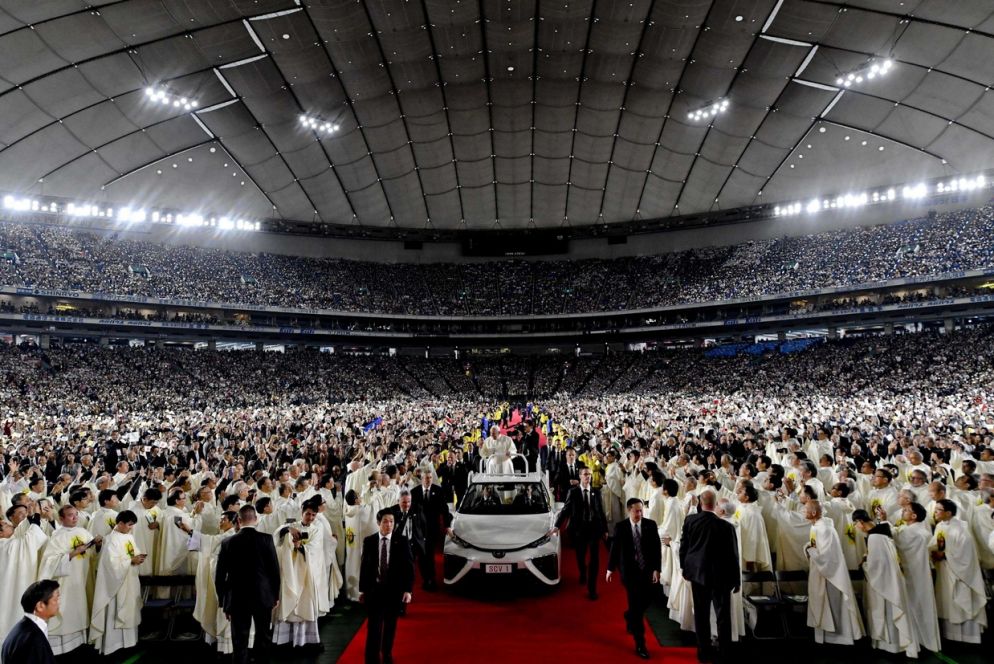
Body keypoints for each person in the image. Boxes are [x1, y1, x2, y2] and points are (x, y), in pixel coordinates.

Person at [214, 504, 281, 664]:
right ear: (256, 520)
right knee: (263, 636)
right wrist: (275, 595)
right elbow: (274, 571)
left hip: (237, 597)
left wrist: (224, 601)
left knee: (239, 639)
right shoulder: (266, 539)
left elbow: (220, 576)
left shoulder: (228, 542)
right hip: (263, 595)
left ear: (238, 520)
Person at [679, 490, 741, 663]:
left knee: (701, 613)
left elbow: (684, 547)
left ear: (700, 502)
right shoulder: (726, 527)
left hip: (698, 575)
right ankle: (725, 652)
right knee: (723, 616)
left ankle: (703, 651)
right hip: (721, 576)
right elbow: (733, 556)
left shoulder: (690, 521)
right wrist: (736, 580)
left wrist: (685, 568)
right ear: (715, 505)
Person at [852, 510, 918, 657]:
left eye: (855, 524)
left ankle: (890, 645)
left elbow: (877, 567)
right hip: (890, 581)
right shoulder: (881, 532)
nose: (856, 527)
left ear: (861, 522)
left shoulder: (874, 537)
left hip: (883, 585)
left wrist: (864, 565)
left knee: (885, 612)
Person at [37, 505, 97, 656]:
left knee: (82, 609)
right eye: (70, 515)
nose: (75, 517)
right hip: (66, 583)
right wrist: (71, 554)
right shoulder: (57, 536)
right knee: (68, 612)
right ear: (61, 518)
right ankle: (63, 649)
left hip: (83, 579)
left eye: (76, 515)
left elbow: (93, 556)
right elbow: (49, 562)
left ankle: (82, 642)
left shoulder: (83, 532)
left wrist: (98, 545)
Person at [606, 498, 661, 660]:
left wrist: (657, 569)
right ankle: (640, 644)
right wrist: (610, 568)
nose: (639, 514)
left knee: (647, 600)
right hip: (629, 573)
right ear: (629, 510)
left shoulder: (650, 525)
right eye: (636, 511)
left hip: (647, 570)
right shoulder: (621, 527)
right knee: (637, 608)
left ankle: (629, 615)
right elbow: (615, 549)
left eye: (641, 510)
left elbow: (656, 549)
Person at [804, 500, 865, 645]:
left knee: (833, 605)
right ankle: (824, 636)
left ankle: (839, 638)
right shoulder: (816, 527)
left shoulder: (825, 529)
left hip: (830, 576)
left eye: (805, 510)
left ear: (814, 513)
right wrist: (809, 548)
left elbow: (827, 556)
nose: (802, 512)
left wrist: (810, 550)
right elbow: (815, 547)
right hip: (818, 572)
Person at [929, 498, 988, 643]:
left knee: (961, 600)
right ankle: (952, 635)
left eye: (938, 510)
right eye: (935, 509)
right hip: (945, 570)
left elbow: (965, 551)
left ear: (948, 513)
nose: (935, 512)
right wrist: (933, 552)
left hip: (960, 573)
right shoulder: (940, 526)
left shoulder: (960, 528)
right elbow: (934, 544)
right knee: (948, 601)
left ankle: (969, 637)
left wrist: (945, 554)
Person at [359, 510, 414, 664]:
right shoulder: (369, 541)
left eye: (391, 521)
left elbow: (409, 567)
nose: (389, 525)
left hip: (393, 592)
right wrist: (362, 590)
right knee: (374, 628)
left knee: (390, 626)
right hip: (374, 591)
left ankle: (387, 654)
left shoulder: (402, 541)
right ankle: (371, 658)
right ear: (378, 523)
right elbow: (364, 566)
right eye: (385, 521)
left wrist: (408, 590)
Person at [89, 510, 146, 655]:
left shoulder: (128, 537)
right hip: (116, 586)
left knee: (130, 610)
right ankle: (113, 646)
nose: (131, 528)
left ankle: (129, 643)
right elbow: (110, 565)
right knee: (116, 611)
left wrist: (137, 558)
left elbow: (133, 552)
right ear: (120, 523)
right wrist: (131, 561)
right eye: (129, 525)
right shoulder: (111, 540)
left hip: (130, 581)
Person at [552, 467, 608, 599]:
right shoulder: (573, 492)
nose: (588, 476)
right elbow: (565, 510)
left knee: (594, 559)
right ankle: (583, 572)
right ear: (580, 477)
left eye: (589, 474)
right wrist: (556, 526)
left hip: (594, 529)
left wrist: (605, 529)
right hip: (578, 530)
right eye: (585, 474)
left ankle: (592, 589)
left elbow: (600, 511)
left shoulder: (596, 492)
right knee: (580, 555)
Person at [1, 580, 59, 664]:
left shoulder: (22, 629)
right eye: (56, 599)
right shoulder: (33, 639)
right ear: (40, 606)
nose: (58, 603)